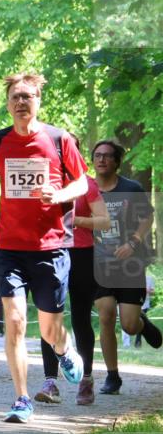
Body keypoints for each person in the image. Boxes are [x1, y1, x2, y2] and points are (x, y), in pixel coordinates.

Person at [0, 72, 89, 424]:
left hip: (50, 248)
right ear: (8, 104)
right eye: (15, 97)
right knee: (15, 322)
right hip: (9, 247)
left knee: (50, 331)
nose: (21, 102)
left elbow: (82, 183)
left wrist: (60, 193)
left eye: (27, 96)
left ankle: (64, 350)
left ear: (38, 100)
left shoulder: (58, 139)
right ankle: (22, 398)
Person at [90, 139, 161, 394]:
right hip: (100, 264)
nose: (102, 160)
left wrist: (134, 241)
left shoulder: (131, 188)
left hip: (130, 264)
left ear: (117, 161)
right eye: (97, 155)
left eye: (107, 156)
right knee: (106, 315)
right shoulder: (87, 189)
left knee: (129, 325)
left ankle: (141, 323)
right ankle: (112, 376)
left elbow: (148, 217)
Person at [36, 164, 109, 405]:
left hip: (81, 254)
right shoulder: (42, 179)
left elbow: (104, 221)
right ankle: (50, 382)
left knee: (80, 318)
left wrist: (73, 220)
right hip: (50, 251)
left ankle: (85, 379)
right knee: (49, 318)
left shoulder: (86, 183)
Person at [127, 272, 155, 347]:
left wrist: (148, 291)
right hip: (134, 303)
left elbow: (153, 292)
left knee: (140, 319)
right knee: (137, 321)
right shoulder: (133, 279)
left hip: (145, 304)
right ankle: (138, 341)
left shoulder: (150, 279)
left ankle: (138, 342)